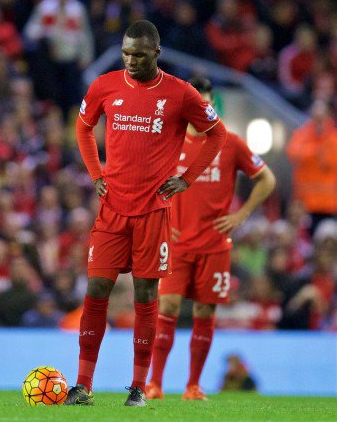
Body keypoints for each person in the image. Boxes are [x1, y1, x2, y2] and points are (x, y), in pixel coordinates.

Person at [66, 20, 227, 407]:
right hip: (111, 210)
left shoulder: (180, 93)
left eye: (138, 55)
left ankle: (138, 387)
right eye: (126, 53)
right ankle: (83, 384)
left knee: (145, 294)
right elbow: (83, 127)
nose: (131, 61)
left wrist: (187, 179)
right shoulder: (105, 85)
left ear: (156, 53)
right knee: (96, 290)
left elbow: (216, 133)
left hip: (153, 212)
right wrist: (95, 173)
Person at [146, 77, 276, 401]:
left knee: (205, 313)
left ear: (213, 106)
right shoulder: (169, 141)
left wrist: (241, 216)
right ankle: (155, 384)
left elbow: (267, 179)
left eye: (207, 105)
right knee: (169, 305)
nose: (202, 111)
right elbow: (145, 182)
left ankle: (193, 386)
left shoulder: (230, 143)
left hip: (215, 244)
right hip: (176, 243)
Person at [286, 99, 337, 236]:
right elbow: (293, 153)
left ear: (329, 114)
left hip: (328, 204)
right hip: (303, 203)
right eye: (315, 111)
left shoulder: (333, 137)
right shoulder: (301, 134)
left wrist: (313, 151)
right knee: (303, 242)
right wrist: (317, 151)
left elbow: (331, 160)